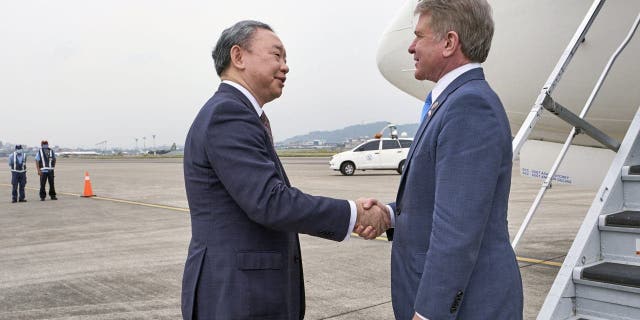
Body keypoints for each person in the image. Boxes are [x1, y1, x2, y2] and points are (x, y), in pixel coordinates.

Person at [181, 20, 389, 320]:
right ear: (238, 57)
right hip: (236, 296)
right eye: (276, 55)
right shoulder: (228, 114)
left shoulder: (238, 113)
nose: (285, 66)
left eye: (286, 58)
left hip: (243, 292)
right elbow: (270, 201)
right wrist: (353, 213)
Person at [365, 0, 523, 319]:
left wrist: (429, 313)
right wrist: (392, 216)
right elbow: (445, 202)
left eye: (419, 36)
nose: (411, 47)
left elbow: (458, 230)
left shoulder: (469, 107)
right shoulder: (453, 102)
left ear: (449, 43)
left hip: (468, 307)